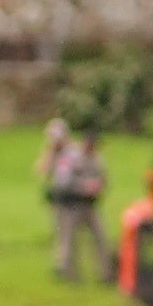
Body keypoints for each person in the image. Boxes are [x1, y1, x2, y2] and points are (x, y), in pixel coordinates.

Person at [39, 116, 110, 285]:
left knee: (100, 238)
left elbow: (104, 178)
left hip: (90, 204)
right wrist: (84, 186)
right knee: (68, 240)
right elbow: (62, 181)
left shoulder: (97, 159)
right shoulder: (70, 157)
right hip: (71, 204)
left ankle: (106, 273)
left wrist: (98, 185)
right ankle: (69, 274)